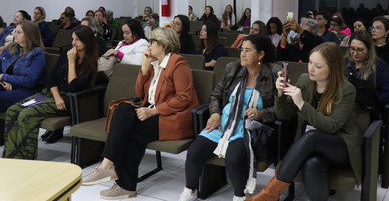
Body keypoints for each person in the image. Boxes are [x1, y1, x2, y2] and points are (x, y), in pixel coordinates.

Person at [82, 27, 199, 200]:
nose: (149, 46)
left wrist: (153, 111)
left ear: (165, 45)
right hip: (154, 112)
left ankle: (118, 178)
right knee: (123, 110)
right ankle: (115, 175)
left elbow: (183, 98)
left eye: (153, 42)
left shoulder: (178, 62)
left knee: (129, 130)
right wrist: (144, 66)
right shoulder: (154, 63)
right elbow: (140, 93)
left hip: (173, 117)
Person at [246, 42, 361, 201]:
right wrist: (279, 94)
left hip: (340, 146)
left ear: (333, 68)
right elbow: (284, 115)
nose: (311, 69)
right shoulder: (305, 80)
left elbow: (331, 126)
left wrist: (302, 104)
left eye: (318, 66)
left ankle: (269, 194)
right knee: (312, 164)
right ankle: (270, 195)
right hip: (312, 148)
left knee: (312, 136)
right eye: (310, 62)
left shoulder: (346, 89)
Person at [179, 35, 281, 201]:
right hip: (224, 123)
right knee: (194, 151)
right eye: (242, 50)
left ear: (261, 54)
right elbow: (215, 95)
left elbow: (284, 109)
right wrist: (215, 113)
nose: (242, 54)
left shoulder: (273, 74)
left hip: (248, 128)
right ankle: (190, 190)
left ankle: (239, 196)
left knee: (234, 157)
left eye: (248, 50)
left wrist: (262, 113)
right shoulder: (233, 68)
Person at [3, 25, 98, 158]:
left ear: (87, 41)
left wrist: (71, 62)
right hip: (51, 95)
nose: (73, 43)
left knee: (27, 114)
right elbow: (51, 79)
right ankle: (11, 156)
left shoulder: (91, 63)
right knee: (13, 110)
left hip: (68, 100)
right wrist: (56, 96)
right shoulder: (66, 53)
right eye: (72, 39)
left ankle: (25, 159)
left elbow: (73, 87)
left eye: (77, 40)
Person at [344, 30, 389, 108]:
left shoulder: (379, 66)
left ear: (369, 50)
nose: (355, 53)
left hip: (365, 109)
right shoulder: (344, 63)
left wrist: (371, 99)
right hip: (344, 106)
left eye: (360, 50)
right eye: (352, 49)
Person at [0, 21, 46, 111]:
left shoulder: (37, 54)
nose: (15, 35)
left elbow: (30, 81)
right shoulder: (10, 49)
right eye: (15, 32)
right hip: (6, 85)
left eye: (19, 32)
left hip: (26, 90)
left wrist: (5, 77)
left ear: (29, 35)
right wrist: (4, 80)